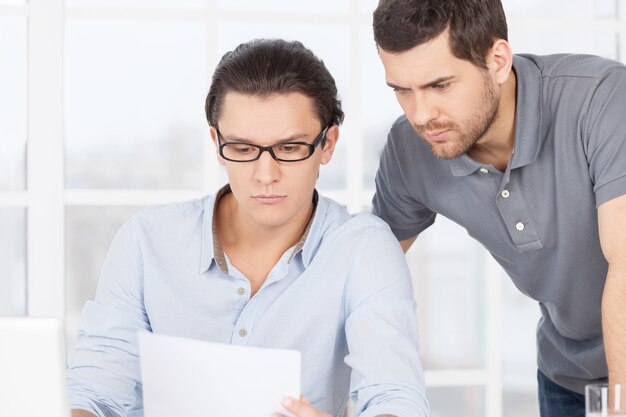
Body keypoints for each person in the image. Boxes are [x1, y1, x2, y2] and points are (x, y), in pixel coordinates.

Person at [67, 39, 429, 417]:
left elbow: (396, 399)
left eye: (290, 149)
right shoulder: (145, 241)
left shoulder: (363, 250)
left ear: (328, 144)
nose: (265, 175)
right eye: (242, 149)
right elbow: (93, 392)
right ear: (216, 142)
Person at [370, 1, 626, 416]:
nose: (421, 114)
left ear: (498, 60)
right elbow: (367, 281)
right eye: (401, 89)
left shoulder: (603, 98)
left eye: (440, 85)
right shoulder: (409, 150)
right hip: (568, 376)